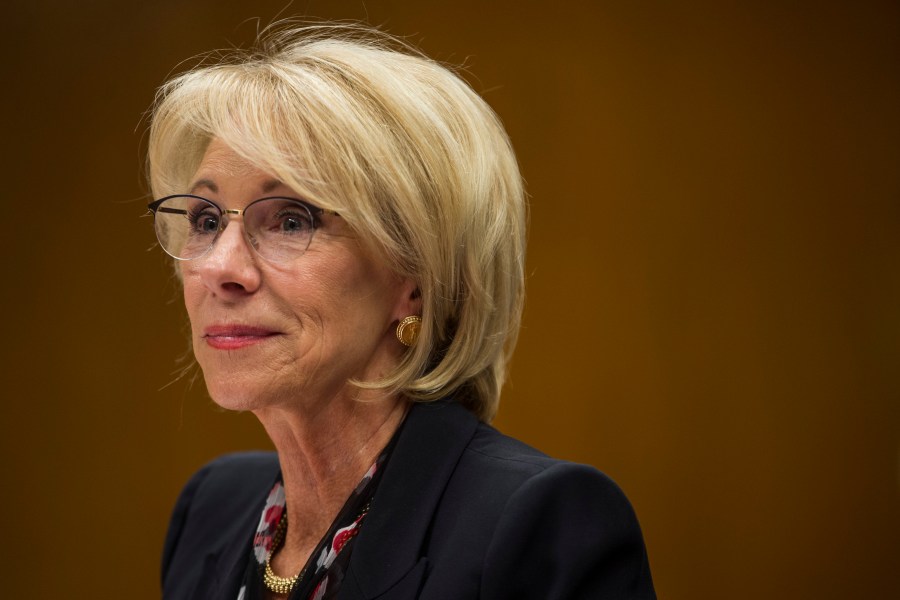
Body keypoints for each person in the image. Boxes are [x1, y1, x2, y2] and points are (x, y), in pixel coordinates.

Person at [148, 25, 655, 600]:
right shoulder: (211, 511)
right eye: (207, 220)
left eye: (292, 219)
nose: (220, 267)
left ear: (415, 276)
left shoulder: (535, 525)